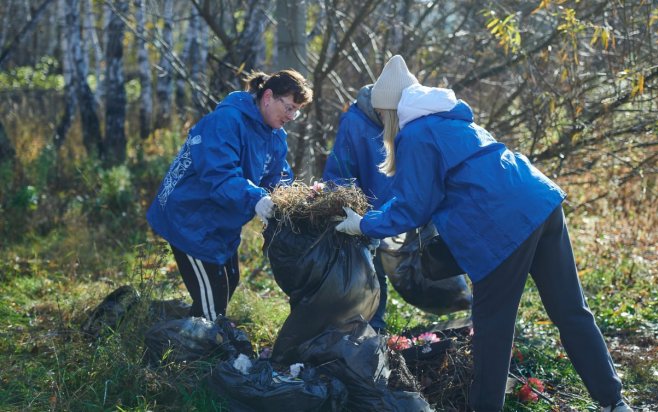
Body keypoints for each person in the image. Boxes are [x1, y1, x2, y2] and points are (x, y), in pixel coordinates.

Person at [335, 55, 632, 412]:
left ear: (391, 110)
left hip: (503, 224)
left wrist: (363, 224)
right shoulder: (451, 118)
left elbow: (414, 206)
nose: (383, 122)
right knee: (571, 310)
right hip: (540, 200)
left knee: (493, 327)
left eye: (383, 115)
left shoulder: (415, 133)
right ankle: (614, 402)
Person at [147, 69, 313, 321]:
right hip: (189, 218)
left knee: (229, 282)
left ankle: (174, 327)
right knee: (212, 303)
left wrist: (299, 199)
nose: (292, 116)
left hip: (221, 222)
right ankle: (195, 355)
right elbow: (219, 175)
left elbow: (277, 178)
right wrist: (256, 198)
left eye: (296, 111)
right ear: (268, 97)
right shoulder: (226, 121)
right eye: (289, 107)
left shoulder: (275, 136)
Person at [322, 84, 391, 332]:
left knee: (382, 269)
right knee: (370, 271)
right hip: (362, 212)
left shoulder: (404, 120)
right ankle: (366, 327)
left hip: (391, 210)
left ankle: (375, 327)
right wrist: (350, 207)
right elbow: (340, 169)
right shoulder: (354, 122)